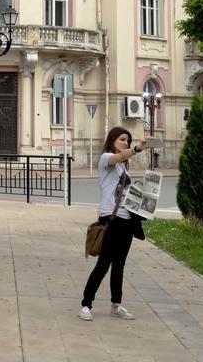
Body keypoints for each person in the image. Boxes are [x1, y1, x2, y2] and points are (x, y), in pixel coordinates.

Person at [79, 126, 147, 321]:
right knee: (103, 264)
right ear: (112, 141)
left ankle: (116, 304)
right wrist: (136, 149)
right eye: (122, 139)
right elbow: (118, 157)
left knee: (119, 265)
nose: (125, 143)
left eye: (127, 140)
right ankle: (86, 304)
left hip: (127, 220)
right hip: (110, 218)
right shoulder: (106, 159)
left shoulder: (123, 166)